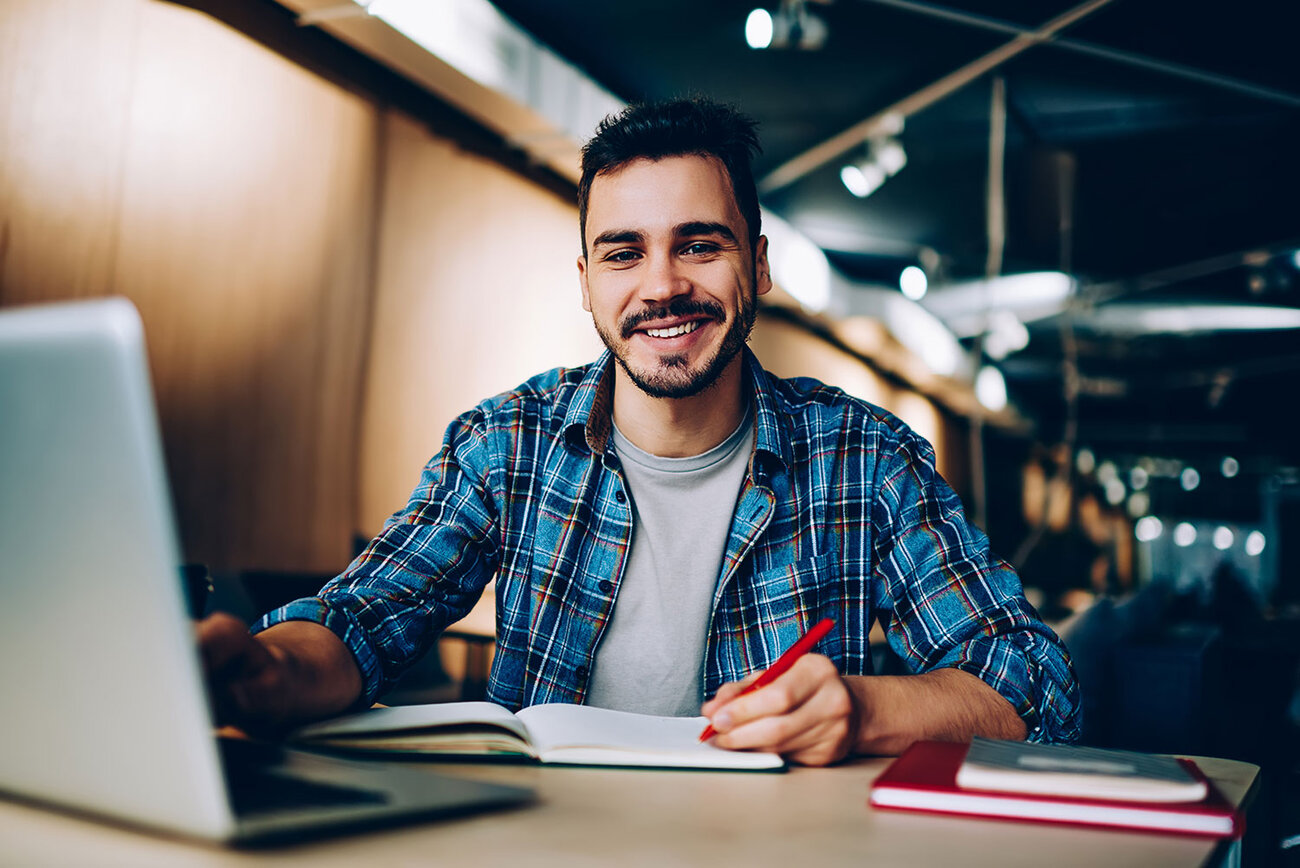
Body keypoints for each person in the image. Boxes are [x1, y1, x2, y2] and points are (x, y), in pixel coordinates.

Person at [200, 98, 1080, 766]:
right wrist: (267, 673)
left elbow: (1036, 685)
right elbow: (364, 620)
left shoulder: (868, 460)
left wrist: (866, 708)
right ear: (586, 281)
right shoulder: (508, 442)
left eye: (700, 244)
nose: (662, 285)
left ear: (759, 264)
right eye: (625, 253)